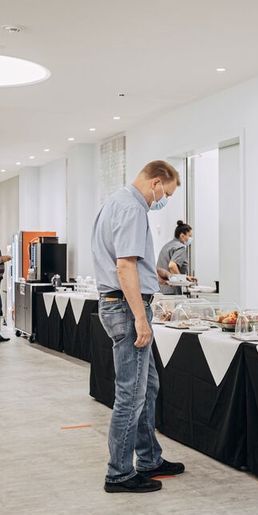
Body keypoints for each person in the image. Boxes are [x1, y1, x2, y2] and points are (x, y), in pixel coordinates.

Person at [92, 160, 186, 494]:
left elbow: (129, 262)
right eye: (167, 194)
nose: (164, 201)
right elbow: (124, 266)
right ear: (156, 183)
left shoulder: (115, 201)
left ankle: (148, 459)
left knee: (147, 387)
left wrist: (154, 274)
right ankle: (118, 473)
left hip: (119, 302)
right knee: (130, 395)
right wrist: (141, 318)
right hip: (126, 307)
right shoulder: (132, 208)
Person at [156, 220, 196, 295]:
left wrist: (185, 277)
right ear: (182, 235)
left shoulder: (168, 245)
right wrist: (182, 281)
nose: (190, 238)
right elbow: (172, 265)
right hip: (171, 290)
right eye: (189, 236)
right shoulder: (180, 247)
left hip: (161, 289)